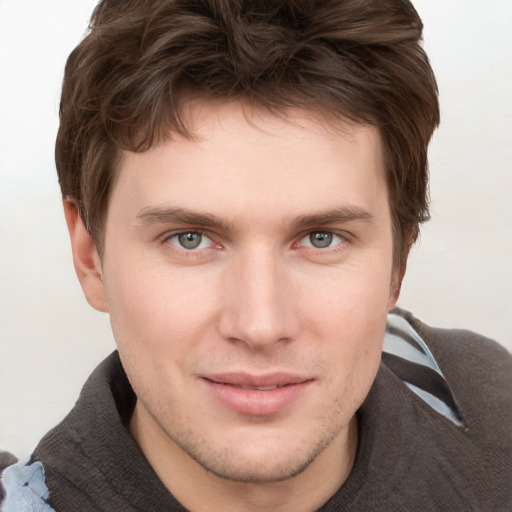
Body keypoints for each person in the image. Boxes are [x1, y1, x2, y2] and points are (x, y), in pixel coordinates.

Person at [1, 0, 511, 510]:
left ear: (398, 261)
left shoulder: (487, 401)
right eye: (190, 238)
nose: (261, 326)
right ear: (91, 256)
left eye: (321, 238)